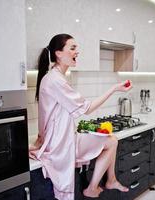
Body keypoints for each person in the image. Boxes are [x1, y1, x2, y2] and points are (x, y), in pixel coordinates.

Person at [29, 33, 132, 200]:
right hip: (60, 145)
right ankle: (93, 187)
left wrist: (41, 138)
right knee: (112, 141)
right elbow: (88, 109)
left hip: (60, 139)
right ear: (58, 53)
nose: (77, 51)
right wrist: (114, 89)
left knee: (111, 139)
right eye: (72, 48)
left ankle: (110, 180)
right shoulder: (56, 80)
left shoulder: (54, 77)